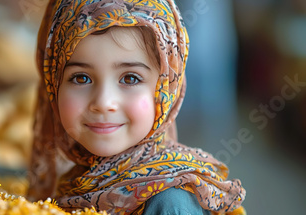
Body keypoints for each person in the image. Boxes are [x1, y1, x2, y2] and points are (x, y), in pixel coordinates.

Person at [27, 0, 246, 214]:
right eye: (81, 78)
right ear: (53, 85)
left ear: (165, 89)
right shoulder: (80, 181)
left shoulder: (170, 204)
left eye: (130, 79)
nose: (104, 103)